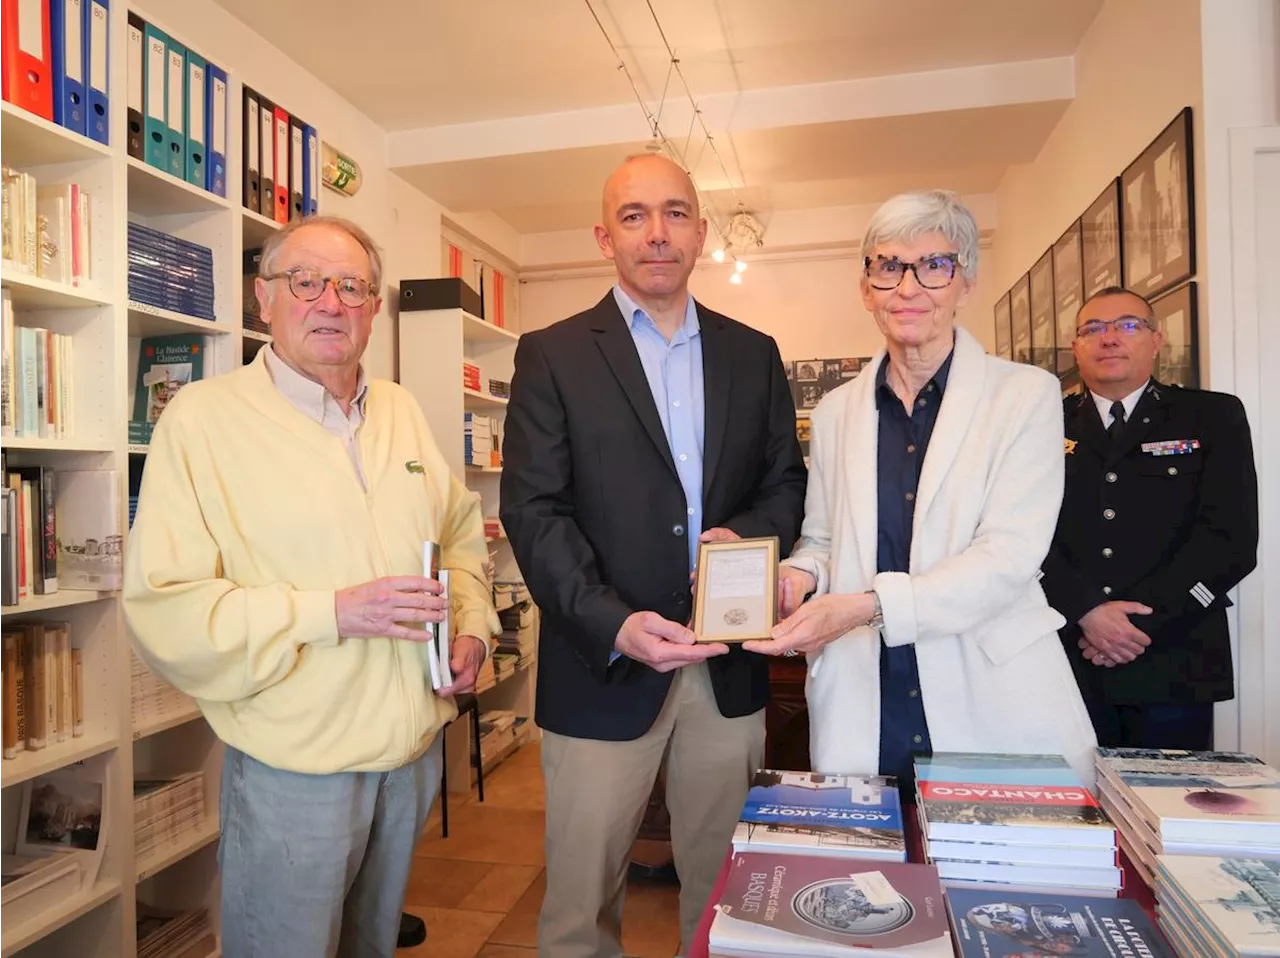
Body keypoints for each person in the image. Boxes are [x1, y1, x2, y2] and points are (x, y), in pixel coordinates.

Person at [123, 215, 500, 958]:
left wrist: (474, 625)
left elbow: (458, 531)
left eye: (353, 286)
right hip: (294, 776)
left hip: (409, 760)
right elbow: (164, 606)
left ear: (373, 305)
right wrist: (331, 613)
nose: (331, 301)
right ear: (265, 300)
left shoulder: (396, 408)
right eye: (307, 282)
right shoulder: (201, 420)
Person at [499, 153, 807, 958]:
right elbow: (534, 512)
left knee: (726, 892)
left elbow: (786, 483)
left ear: (702, 231)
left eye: (675, 213)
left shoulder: (754, 352)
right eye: (634, 216)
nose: (657, 233)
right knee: (578, 903)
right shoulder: (552, 353)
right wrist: (613, 622)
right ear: (605, 238)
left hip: (726, 666)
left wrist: (746, 535)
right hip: (604, 666)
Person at [743, 190, 1098, 789]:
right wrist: (799, 576)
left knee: (996, 873)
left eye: (934, 265)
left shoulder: (1025, 396)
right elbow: (824, 537)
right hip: (866, 687)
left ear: (966, 281)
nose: (908, 288)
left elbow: (1009, 556)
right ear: (866, 286)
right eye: (888, 266)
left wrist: (867, 606)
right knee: (873, 875)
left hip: (989, 685)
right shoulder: (835, 412)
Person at [1041, 286, 1258, 750]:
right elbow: (1024, 536)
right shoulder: (1041, 424)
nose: (1109, 338)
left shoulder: (1212, 415)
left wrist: (1135, 625)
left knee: (1167, 813)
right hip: (1068, 654)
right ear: (1076, 347)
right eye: (1092, 329)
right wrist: (1086, 612)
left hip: (1175, 655)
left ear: (1157, 340)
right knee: (1076, 811)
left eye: (1127, 325)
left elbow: (1231, 540)